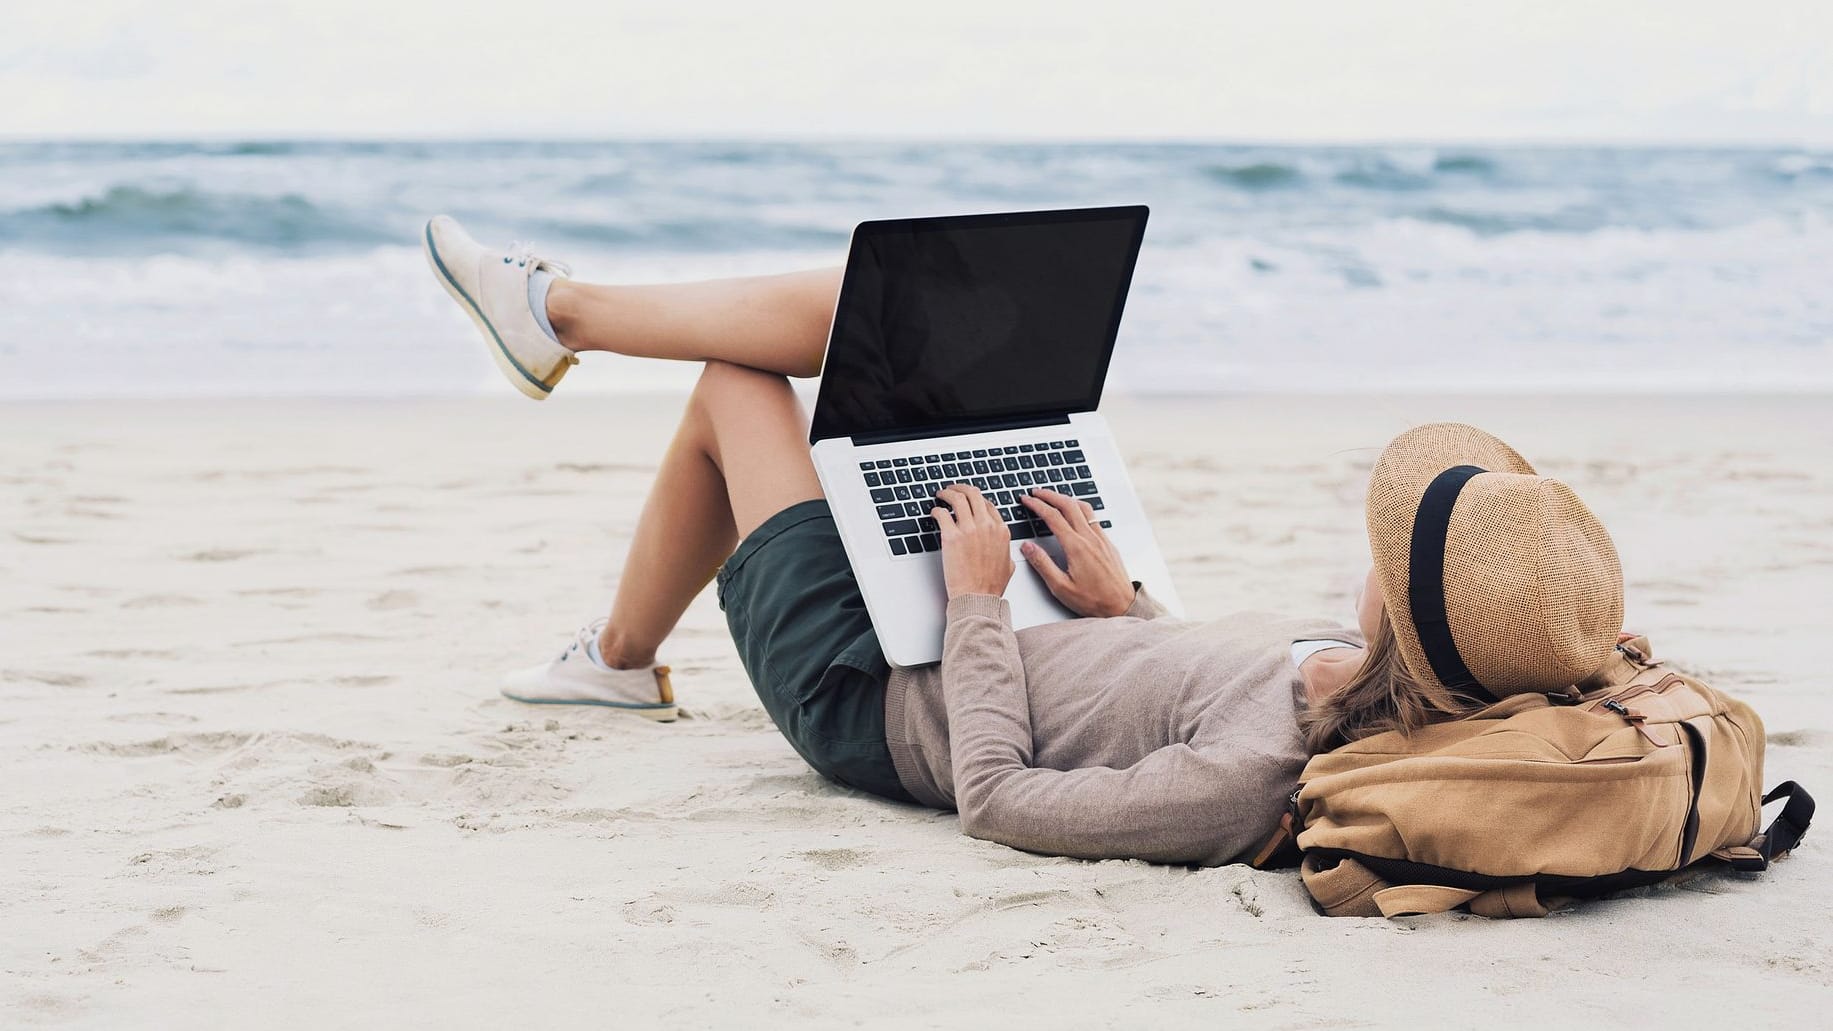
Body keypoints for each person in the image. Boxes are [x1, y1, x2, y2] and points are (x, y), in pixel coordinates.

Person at [420, 216, 1625, 866]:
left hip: (875, 695)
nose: (1377, 541)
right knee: (864, 312)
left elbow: (997, 799)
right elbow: (1153, 688)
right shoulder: (1336, 667)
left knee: (739, 383)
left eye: (1401, 541)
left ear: (1408, 616)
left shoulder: (1248, 779)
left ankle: (563, 333)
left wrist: (980, 604)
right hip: (997, 621)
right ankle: (615, 648)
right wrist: (1121, 604)